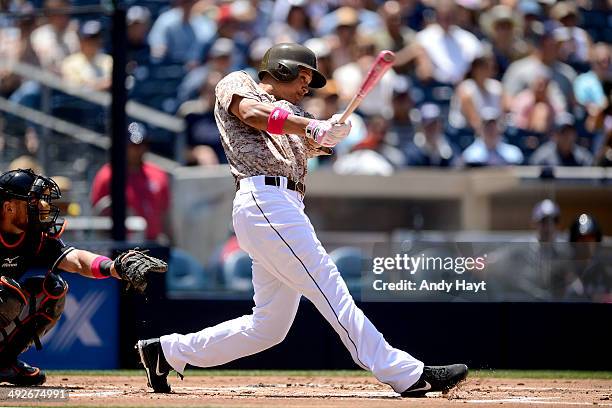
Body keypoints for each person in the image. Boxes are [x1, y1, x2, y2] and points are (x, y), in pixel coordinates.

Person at [136, 42, 467, 396]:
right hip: (264, 200)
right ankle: (406, 374)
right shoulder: (237, 83)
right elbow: (252, 114)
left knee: (268, 327)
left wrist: (333, 133)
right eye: (304, 75)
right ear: (281, 68)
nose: (307, 85)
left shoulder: (291, 111)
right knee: (331, 288)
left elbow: (311, 140)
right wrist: (310, 126)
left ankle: (167, 352)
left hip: (285, 207)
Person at [0, 168, 166, 385]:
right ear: (9, 207)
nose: (41, 206)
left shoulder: (35, 235)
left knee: (53, 290)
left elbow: (76, 260)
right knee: (7, 294)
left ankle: (4, 363)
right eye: (31, 201)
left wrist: (114, 267)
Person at [90, 123, 170, 242]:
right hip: (123, 246)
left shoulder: (158, 174)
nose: (139, 150)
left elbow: (165, 215)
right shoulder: (108, 175)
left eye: (143, 144)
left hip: (155, 243)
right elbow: (99, 216)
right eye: (133, 146)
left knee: (184, 260)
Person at [61, 20, 112, 91]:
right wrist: (99, 85)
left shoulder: (108, 60)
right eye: (88, 39)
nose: (92, 43)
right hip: (81, 101)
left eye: (95, 39)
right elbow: (75, 90)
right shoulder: (70, 63)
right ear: (81, 42)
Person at [529, 113, 593, 167]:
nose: (567, 136)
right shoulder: (542, 157)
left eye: (570, 132)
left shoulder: (583, 158)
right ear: (555, 135)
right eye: (563, 132)